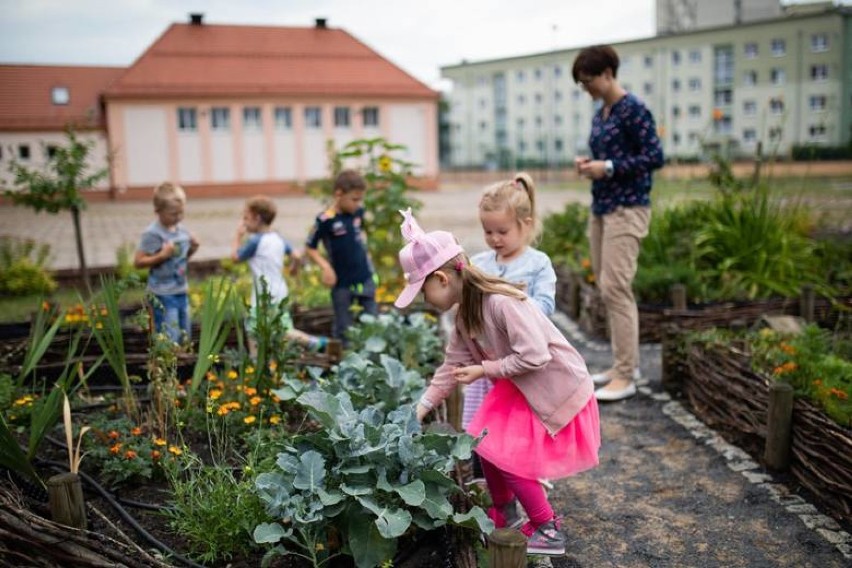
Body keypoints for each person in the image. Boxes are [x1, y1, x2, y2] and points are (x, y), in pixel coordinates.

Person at [395, 209, 599, 556]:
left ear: (443, 279)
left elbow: (536, 356)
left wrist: (485, 370)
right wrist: (422, 407)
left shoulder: (501, 303)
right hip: (521, 387)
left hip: (554, 387)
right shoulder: (465, 314)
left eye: (422, 290)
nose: (423, 300)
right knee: (485, 442)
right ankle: (504, 514)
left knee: (508, 455)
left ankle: (547, 527)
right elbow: (451, 365)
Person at [572, 44, 664, 402]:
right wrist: (591, 164)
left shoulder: (634, 109)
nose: (586, 88)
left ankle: (626, 376)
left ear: (608, 73)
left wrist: (608, 167)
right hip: (603, 207)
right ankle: (621, 364)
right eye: (581, 84)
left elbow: (655, 156)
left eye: (588, 80)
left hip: (628, 209)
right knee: (606, 286)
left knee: (616, 288)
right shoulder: (603, 112)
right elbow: (609, 156)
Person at [463, 172, 557, 486]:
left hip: (523, 362)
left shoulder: (537, 264)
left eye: (502, 231)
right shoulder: (480, 263)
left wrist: (514, 309)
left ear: (525, 224)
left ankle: (527, 474)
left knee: (521, 420)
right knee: (483, 416)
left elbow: (545, 307)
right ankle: (483, 476)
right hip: (488, 360)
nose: (494, 239)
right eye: (487, 231)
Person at [231, 195, 327, 352]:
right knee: (281, 328)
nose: (243, 222)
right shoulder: (278, 238)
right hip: (280, 290)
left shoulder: (255, 241)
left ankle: (258, 365)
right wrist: (294, 268)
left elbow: (235, 258)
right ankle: (315, 343)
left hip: (264, 293)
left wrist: (237, 236)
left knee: (254, 330)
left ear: (257, 218)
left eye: (246, 218)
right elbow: (296, 255)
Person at [305, 169, 377, 341]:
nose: (358, 204)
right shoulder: (325, 220)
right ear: (339, 194)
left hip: (364, 277)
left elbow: (360, 238)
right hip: (341, 283)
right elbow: (310, 247)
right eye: (354, 199)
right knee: (344, 328)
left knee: (373, 323)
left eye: (360, 199)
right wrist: (325, 267)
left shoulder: (358, 213)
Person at [134, 182, 199, 344]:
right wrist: (161, 256)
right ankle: (167, 365)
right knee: (170, 336)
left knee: (185, 334)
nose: (178, 218)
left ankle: (183, 365)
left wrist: (193, 248)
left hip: (181, 289)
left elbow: (181, 259)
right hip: (162, 293)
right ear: (158, 211)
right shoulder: (152, 234)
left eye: (181, 213)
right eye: (173, 214)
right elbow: (138, 262)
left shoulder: (181, 230)